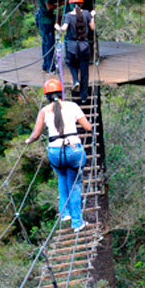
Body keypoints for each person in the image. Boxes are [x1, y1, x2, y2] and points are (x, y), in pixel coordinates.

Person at [25, 78, 93, 231]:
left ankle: (65, 213)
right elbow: (87, 127)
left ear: (47, 96)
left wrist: (28, 141)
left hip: (55, 152)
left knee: (62, 178)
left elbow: (35, 134)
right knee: (74, 185)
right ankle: (77, 223)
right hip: (73, 149)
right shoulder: (72, 106)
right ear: (61, 92)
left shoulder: (43, 111)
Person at [61, 0, 96, 100]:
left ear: (71, 5)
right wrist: (92, 16)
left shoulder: (68, 16)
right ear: (81, 4)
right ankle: (84, 96)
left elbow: (64, 28)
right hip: (84, 46)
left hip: (72, 47)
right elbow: (92, 28)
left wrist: (58, 27)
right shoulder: (86, 14)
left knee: (72, 64)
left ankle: (75, 80)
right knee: (84, 72)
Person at [35, 0, 61, 73]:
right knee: (49, 43)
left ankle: (46, 65)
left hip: (43, 19)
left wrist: (61, 1)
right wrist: (59, 5)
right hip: (46, 20)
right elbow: (49, 6)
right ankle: (50, 66)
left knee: (45, 43)